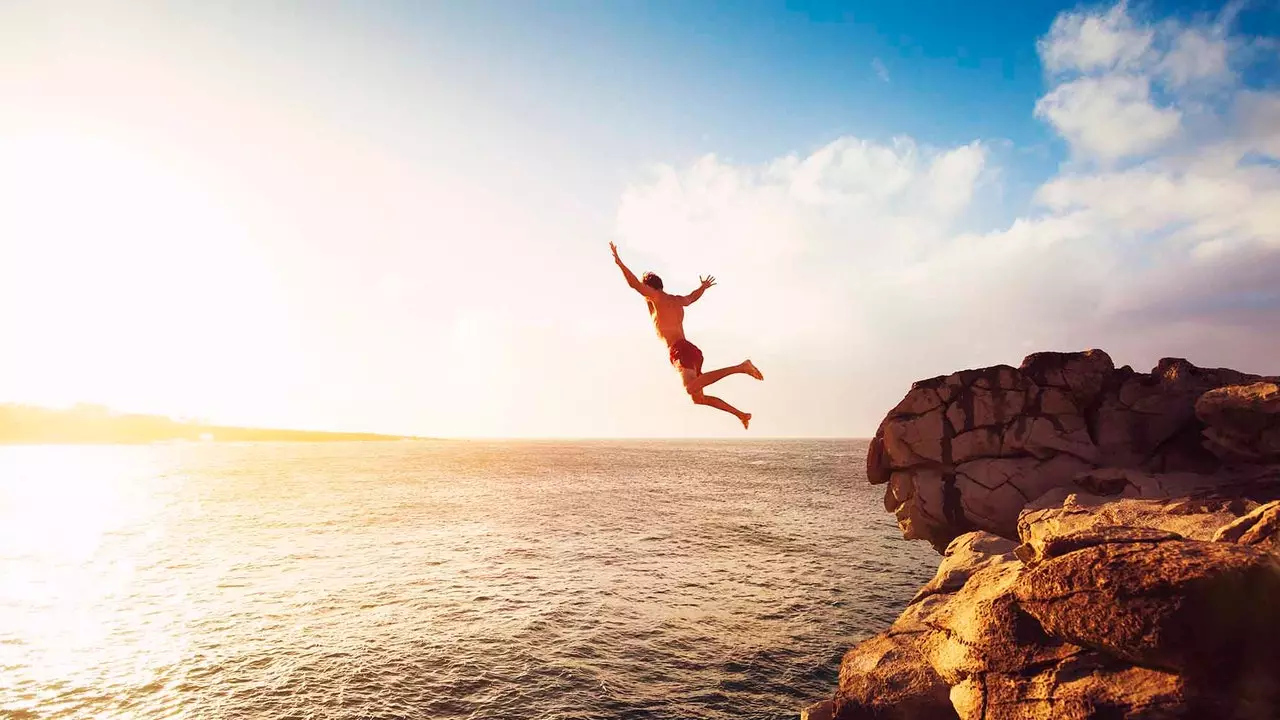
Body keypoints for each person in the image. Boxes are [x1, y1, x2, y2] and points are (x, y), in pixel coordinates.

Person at [609, 241, 763, 429]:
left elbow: (633, 284)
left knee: (691, 387)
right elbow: (691, 297)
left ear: (650, 288)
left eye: (646, 289)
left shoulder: (657, 298)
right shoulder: (676, 301)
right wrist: (703, 288)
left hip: (679, 350)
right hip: (690, 350)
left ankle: (741, 367)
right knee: (698, 398)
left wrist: (619, 262)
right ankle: (741, 415)